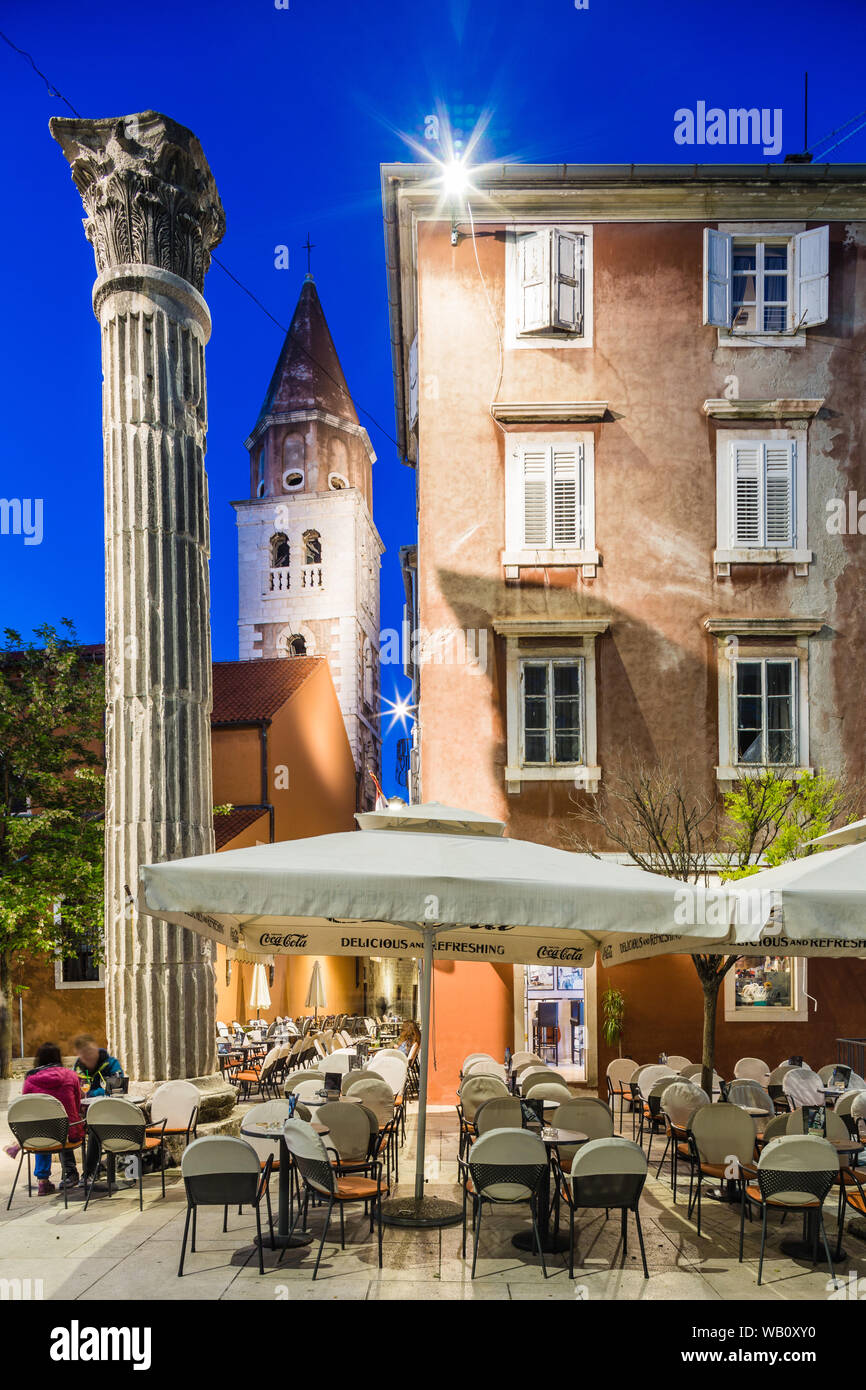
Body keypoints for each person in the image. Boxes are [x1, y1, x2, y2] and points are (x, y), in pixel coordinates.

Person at [21, 1043, 84, 1195]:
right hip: (68, 1133)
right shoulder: (71, 1075)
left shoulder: (30, 1079)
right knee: (65, 1124)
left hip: (41, 1136)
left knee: (42, 1125)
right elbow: (77, 1105)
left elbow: (25, 1108)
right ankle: (71, 1173)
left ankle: (42, 1181)